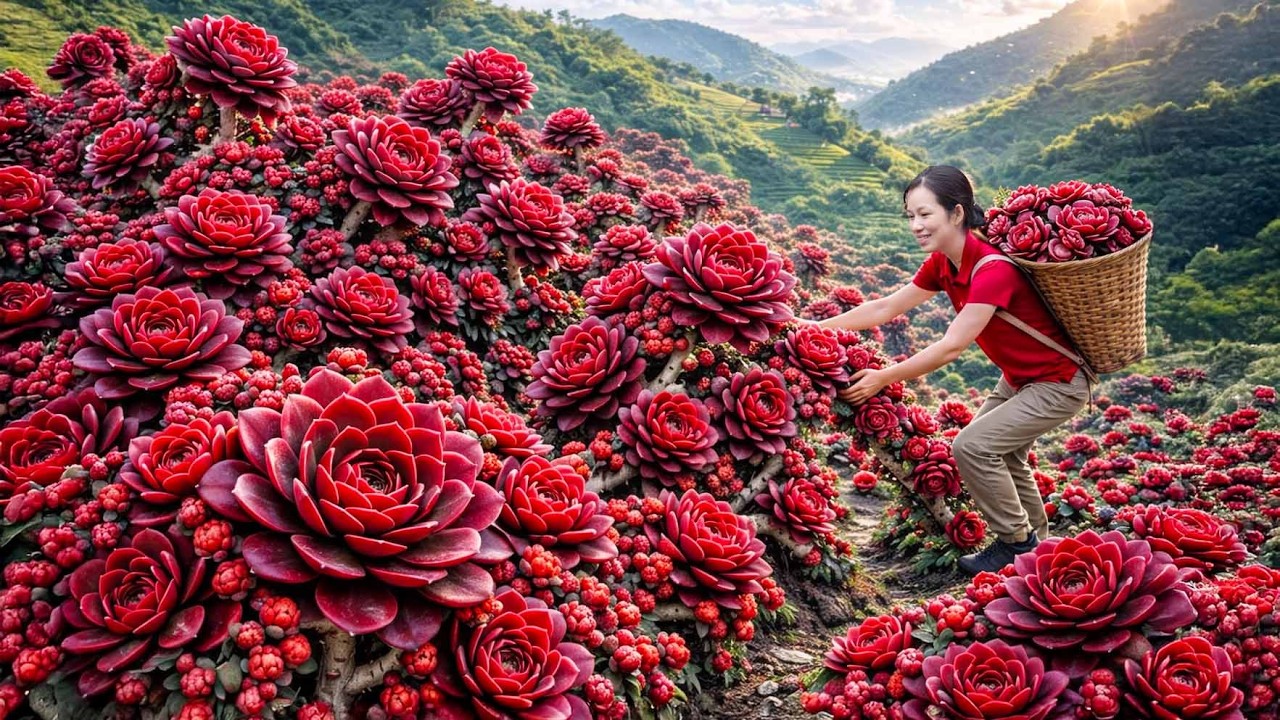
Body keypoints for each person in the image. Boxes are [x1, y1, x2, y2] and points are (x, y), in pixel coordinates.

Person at [817, 165, 1090, 574]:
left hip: (1059, 382)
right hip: (1020, 378)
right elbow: (885, 308)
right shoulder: (945, 263)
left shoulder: (993, 269)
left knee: (973, 447)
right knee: (1007, 455)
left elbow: (951, 347)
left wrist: (881, 378)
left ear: (957, 213)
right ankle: (1040, 553)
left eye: (925, 214)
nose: (916, 225)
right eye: (910, 215)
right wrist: (808, 328)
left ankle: (1016, 545)